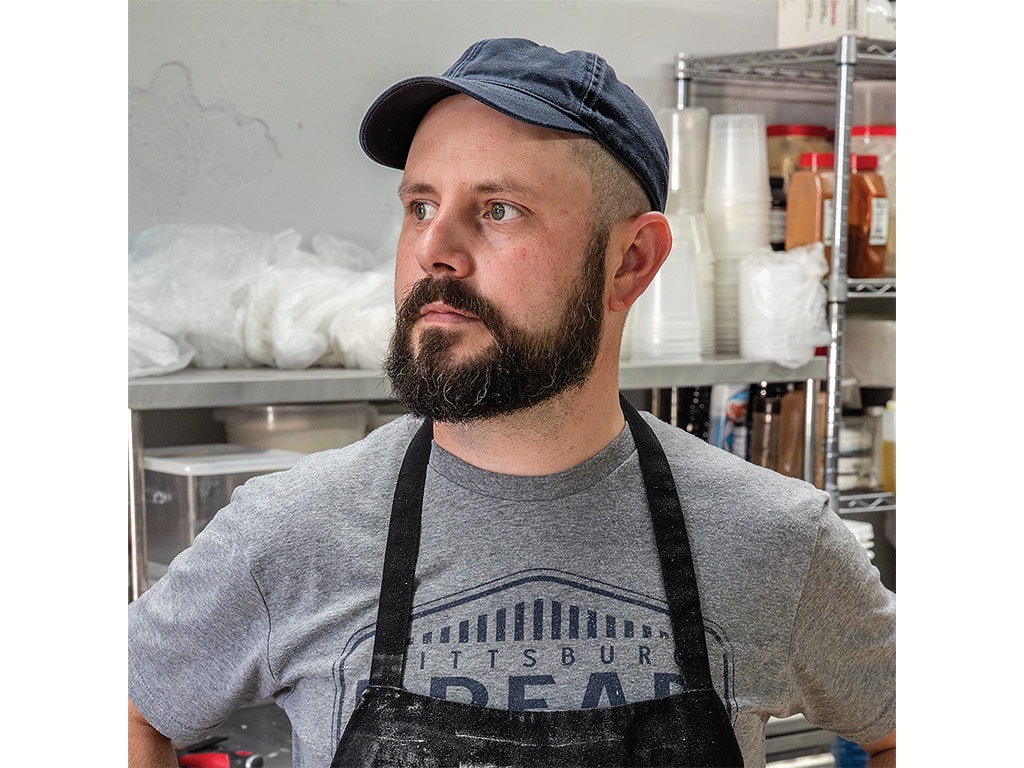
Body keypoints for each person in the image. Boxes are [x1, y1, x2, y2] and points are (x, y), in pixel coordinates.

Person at [128, 38, 896, 767]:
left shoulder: (776, 541)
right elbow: (130, 707)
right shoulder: (289, 535)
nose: (435, 249)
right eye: (421, 205)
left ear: (630, 262)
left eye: (499, 209)